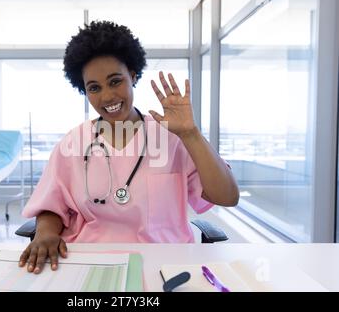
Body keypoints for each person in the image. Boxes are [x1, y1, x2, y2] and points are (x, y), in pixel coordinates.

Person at [18, 21, 239, 274]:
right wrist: (45, 233)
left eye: (115, 81)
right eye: (94, 88)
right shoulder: (73, 143)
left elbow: (227, 197)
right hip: (89, 262)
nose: (107, 96)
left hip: (163, 264)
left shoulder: (172, 136)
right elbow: (52, 205)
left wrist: (191, 134)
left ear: (133, 76)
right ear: (85, 91)